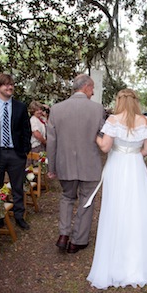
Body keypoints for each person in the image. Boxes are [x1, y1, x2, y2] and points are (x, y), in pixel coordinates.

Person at [87, 89, 147, 288]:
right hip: (136, 166)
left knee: (117, 206)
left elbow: (105, 147)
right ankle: (146, 255)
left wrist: (95, 136)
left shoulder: (113, 120)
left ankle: (119, 252)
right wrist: (133, 150)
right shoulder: (145, 121)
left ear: (119, 101)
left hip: (117, 166)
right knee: (140, 206)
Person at [46, 74, 104, 253]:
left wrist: (51, 167)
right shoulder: (97, 109)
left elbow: (51, 141)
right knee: (87, 200)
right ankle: (78, 240)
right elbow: (103, 135)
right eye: (92, 89)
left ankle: (63, 234)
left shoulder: (56, 109)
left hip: (65, 163)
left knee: (67, 197)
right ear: (86, 87)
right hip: (90, 163)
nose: (93, 93)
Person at [0, 73, 32, 230]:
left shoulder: (20, 107)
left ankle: (19, 216)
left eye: (11, 84)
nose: (10, 87)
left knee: (17, 187)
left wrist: (24, 150)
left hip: (16, 153)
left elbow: (26, 130)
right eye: (6, 84)